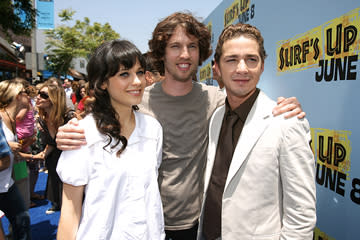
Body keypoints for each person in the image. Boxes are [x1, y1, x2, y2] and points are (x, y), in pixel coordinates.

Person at [55, 12, 305, 240]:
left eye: (192, 46)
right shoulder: (135, 100)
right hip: (143, 225)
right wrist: (69, 131)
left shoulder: (216, 100)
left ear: (202, 54)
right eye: (175, 46)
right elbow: (97, 122)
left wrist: (287, 107)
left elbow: (253, 104)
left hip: (197, 225)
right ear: (161, 53)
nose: (184, 55)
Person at [198, 23, 316, 240]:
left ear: (262, 66)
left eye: (251, 59)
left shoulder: (287, 122)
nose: (242, 68)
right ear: (217, 68)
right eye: (231, 60)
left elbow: (301, 214)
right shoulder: (215, 117)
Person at [56, 39, 164, 240]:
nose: (137, 82)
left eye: (140, 72)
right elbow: (70, 211)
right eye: (125, 74)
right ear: (103, 82)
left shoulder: (153, 129)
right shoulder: (81, 134)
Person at [0, 80, 32, 240]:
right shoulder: (0, 117)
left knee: (22, 221)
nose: (29, 95)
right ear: (18, 96)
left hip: (7, 183)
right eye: (26, 92)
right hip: (2, 182)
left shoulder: (11, 119)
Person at [36, 82, 74, 214]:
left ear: (54, 98)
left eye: (44, 95)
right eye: (38, 94)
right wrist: (41, 155)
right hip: (55, 154)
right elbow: (52, 142)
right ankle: (57, 203)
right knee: (53, 174)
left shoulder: (69, 116)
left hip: (72, 155)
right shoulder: (42, 119)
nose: (38, 97)